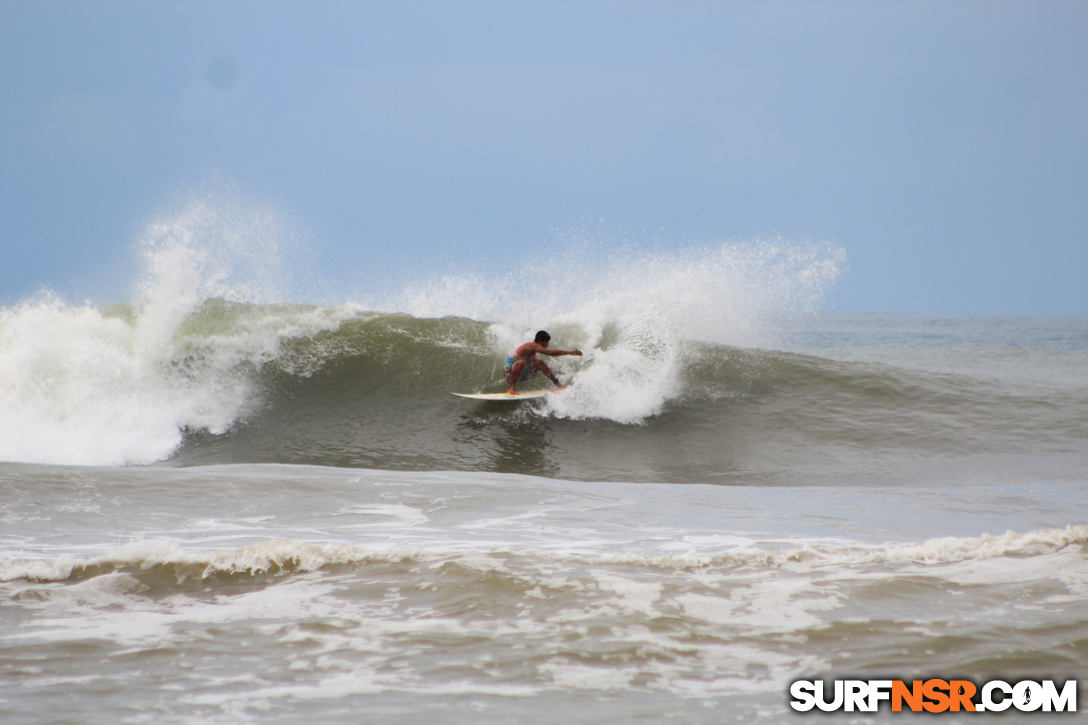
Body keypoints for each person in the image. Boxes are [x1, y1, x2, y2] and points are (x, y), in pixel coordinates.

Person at [504, 330, 582, 395]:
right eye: (547, 342)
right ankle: (511, 389)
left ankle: (559, 385)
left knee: (539, 363)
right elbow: (551, 352)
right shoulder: (533, 346)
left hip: (522, 374)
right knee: (522, 362)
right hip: (508, 374)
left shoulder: (534, 348)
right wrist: (570, 352)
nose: (548, 344)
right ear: (541, 341)